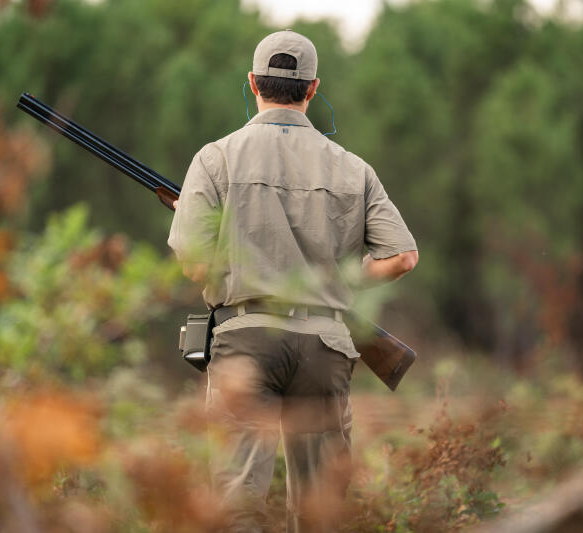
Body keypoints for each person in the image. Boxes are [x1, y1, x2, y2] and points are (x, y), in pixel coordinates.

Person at [168, 29, 418, 533]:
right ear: (312, 87)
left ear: (253, 83)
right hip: (324, 345)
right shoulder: (354, 168)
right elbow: (403, 257)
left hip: (244, 344)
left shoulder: (215, 158)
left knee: (238, 503)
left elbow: (192, 260)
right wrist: (341, 284)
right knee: (321, 511)